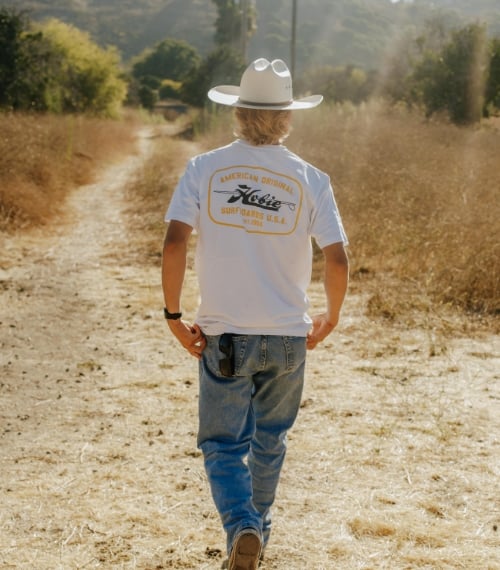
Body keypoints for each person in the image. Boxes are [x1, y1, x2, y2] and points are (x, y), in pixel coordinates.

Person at [161, 58, 349, 570]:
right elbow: (337, 258)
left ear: (239, 112)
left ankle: (242, 527)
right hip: (288, 336)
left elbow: (175, 241)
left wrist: (173, 315)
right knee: (271, 438)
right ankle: (256, 532)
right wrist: (329, 318)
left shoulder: (204, 168)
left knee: (223, 443)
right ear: (287, 118)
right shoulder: (312, 178)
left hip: (223, 335)